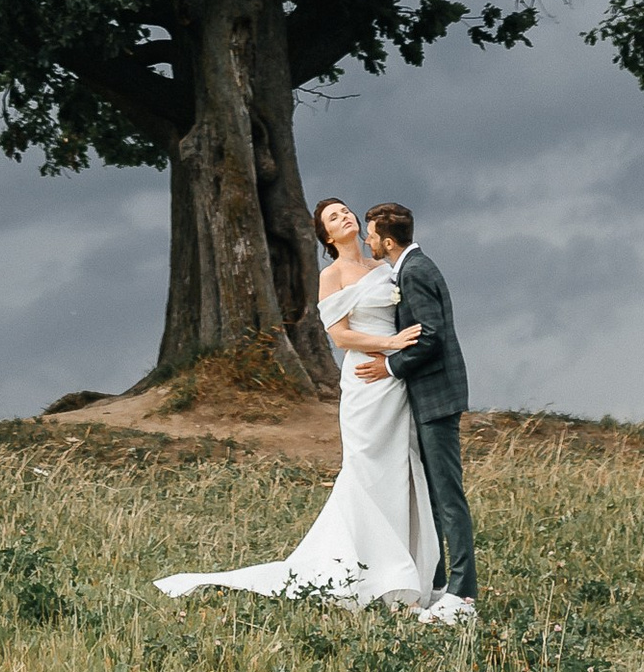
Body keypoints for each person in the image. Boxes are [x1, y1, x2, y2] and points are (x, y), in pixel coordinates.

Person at [152, 196, 440, 611]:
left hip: (393, 381)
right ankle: (371, 573)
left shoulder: (384, 268)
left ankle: (403, 574)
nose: (344, 217)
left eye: (345, 211)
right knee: (366, 469)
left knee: (399, 468)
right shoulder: (332, 275)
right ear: (327, 236)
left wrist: (397, 355)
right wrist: (389, 343)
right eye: (333, 218)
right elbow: (340, 336)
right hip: (364, 381)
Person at [361, 202, 475, 624]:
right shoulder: (410, 268)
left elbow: (431, 338)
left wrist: (389, 366)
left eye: (371, 235)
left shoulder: (415, 272)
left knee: (448, 497)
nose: (367, 241)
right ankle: (440, 584)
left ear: (388, 241)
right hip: (427, 397)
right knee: (431, 498)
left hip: (437, 396)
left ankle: (463, 596)